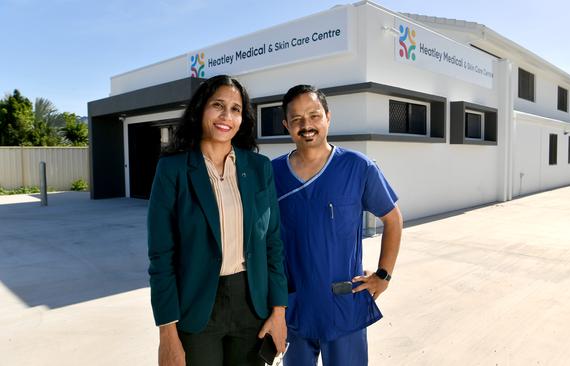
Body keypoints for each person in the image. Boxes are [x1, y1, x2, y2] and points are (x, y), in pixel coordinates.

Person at [147, 75, 288, 366]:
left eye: (236, 109)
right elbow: (161, 256)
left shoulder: (259, 168)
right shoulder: (172, 170)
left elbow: (273, 244)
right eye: (218, 105)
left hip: (253, 305)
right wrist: (167, 333)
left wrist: (279, 311)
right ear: (201, 110)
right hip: (196, 308)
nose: (227, 116)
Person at [272, 85, 403, 366]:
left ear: (328, 117)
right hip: (296, 306)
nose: (306, 125)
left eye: (314, 115)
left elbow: (393, 219)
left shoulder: (358, 167)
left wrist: (384, 274)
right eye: (296, 119)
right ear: (286, 125)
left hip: (343, 304)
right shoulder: (273, 174)